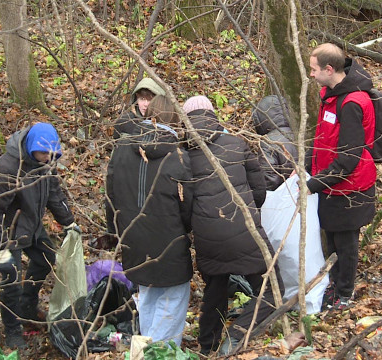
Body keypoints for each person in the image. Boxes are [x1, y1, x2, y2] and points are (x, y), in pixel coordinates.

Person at [183, 95, 284, 355]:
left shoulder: (184, 155)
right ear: (212, 115)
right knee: (273, 290)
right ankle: (239, 333)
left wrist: (197, 225)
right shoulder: (235, 143)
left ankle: (207, 345)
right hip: (244, 230)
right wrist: (249, 210)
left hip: (208, 236)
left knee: (215, 291)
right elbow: (259, 189)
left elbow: (186, 201)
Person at [0, 122, 79, 349]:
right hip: (9, 233)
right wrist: (1, 247)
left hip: (32, 227)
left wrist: (69, 222)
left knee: (47, 259)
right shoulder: (8, 168)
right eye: (43, 152)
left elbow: (54, 192)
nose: (47, 157)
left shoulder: (47, 164)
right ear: (31, 147)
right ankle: (13, 328)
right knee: (10, 280)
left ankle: (27, 306)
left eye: (51, 153)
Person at [106, 95, 193, 346]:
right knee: (173, 298)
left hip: (133, 238)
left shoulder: (121, 150)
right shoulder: (177, 156)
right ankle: (159, 350)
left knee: (147, 294)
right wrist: (187, 230)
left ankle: (146, 347)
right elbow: (186, 205)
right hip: (169, 241)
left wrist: (115, 231)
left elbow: (110, 197)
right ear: (175, 120)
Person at [306, 43, 376, 310]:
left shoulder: (352, 103)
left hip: (350, 188)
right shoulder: (330, 94)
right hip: (331, 183)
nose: (311, 75)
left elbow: (348, 158)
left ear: (329, 69)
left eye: (314, 70)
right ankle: (333, 285)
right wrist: (307, 169)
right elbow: (323, 139)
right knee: (333, 240)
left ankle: (344, 294)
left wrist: (315, 183)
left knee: (345, 244)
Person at [251, 95, 298, 190]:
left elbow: (268, 180)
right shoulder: (299, 135)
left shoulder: (268, 142)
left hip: (283, 197)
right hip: (303, 192)